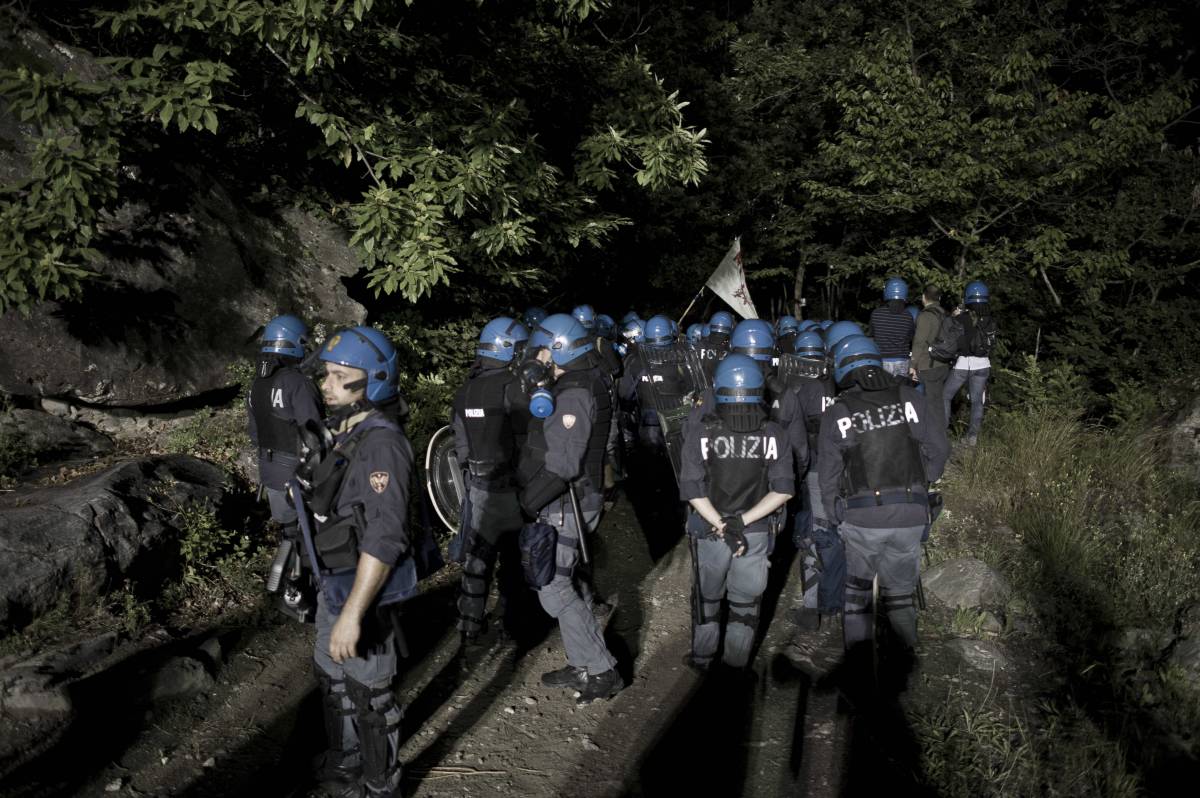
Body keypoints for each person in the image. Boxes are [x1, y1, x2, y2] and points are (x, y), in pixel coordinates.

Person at [305, 326, 415, 798]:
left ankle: (379, 784)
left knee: (371, 695)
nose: (326, 385)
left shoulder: (382, 445)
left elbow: (384, 538)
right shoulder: (344, 429)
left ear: (373, 382)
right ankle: (346, 761)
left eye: (339, 376)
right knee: (333, 679)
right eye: (326, 375)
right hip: (332, 581)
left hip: (362, 591)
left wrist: (352, 615)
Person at [818, 334, 949, 687]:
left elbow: (828, 475)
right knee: (901, 595)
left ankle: (859, 675)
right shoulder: (910, 398)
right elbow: (938, 448)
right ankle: (904, 674)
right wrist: (925, 481)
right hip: (910, 514)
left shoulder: (838, 412)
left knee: (858, 594)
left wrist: (833, 515)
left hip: (862, 518)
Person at [518, 313, 624, 705]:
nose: (538, 354)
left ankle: (601, 669)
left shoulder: (574, 393)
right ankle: (582, 660)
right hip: (569, 498)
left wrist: (526, 503)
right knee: (566, 580)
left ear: (560, 348)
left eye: (544, 348)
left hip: (567, 500)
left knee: (554, 587)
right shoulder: (575, 380)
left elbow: (563, 466)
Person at [678, 354, 795, 673]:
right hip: (754, 531)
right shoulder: (775, 433)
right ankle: (734, 667)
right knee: (746, 604)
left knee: (706, 598)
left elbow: (692, 489)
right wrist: (740, 522)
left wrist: (721, 524)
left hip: (711, 530)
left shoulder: (701, 431)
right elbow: (783, 490)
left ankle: (703, 659)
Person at [451, 317, 533, 654]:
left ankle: (469, 623)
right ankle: (514, 627)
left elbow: (459, 445)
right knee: (515, 560)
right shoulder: (515, 388)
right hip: (511, 489)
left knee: (478, 557)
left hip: (478, 487)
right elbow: (528, 441)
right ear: (509, 350)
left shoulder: (465, 389)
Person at [248, 314, 324, 532]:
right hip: (299, 473)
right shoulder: (299, 383)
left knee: (290, 535)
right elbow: (315, 434)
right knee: (312, 538)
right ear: (293, 343)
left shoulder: (257, 385)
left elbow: (255, 434)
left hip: (269, 473)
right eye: (302, 341)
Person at [943, 281, 997, 446]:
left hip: (963, 365)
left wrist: (954, 315)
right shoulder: (990, 319)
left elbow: (949, 332)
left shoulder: (962, 318)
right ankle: (972, 438)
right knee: (976, 402)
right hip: (983, 366)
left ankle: (942, 434)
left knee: (945, 396)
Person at [909, 285, 950, 430]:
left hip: (928, 367)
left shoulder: (925, 316)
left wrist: (912, 365)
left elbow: (919, 342)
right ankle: (940, 432)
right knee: (938, 401)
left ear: (924, 297)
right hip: (943, 364)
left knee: (931, 405)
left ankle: (934, 437)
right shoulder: (944, 314)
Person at [868, 278, 916, 378]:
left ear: (887, 292)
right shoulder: (908, 316)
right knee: (900, 391)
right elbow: (910, 338)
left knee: (884, 392)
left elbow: (872, 336)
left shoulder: (876, 314)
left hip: (882, 359)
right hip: (902, 360)